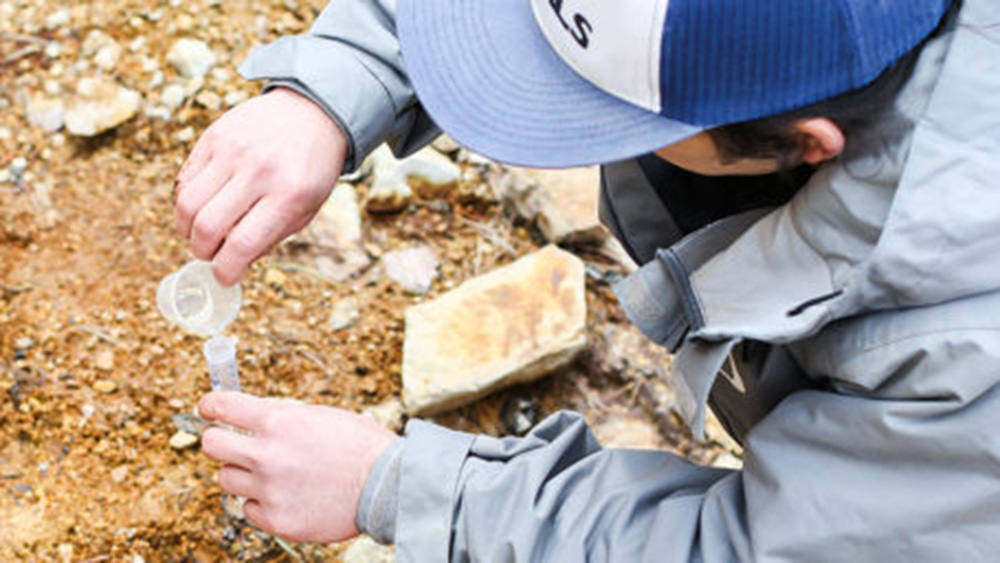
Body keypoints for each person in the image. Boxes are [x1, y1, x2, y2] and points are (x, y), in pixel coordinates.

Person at [176, 0, 1000, 559]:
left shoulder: (961, 350)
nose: (558, 117)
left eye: (591, 109)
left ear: (804, 142)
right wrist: (334, 89)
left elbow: (765, 547)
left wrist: (408, 489)